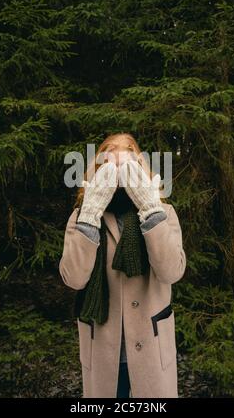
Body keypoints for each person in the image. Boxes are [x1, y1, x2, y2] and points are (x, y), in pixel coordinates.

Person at [59, 133, 186, 398]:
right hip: (104, 352)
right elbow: (74, 278)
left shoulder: (164, 212)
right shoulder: (82, 215)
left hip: (152, 348)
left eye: (128, 151)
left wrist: (150, 208)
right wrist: (91, 212)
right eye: (111, 151)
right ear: (99, 167)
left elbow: (172, 271)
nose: (119, 156)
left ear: (139, 165)